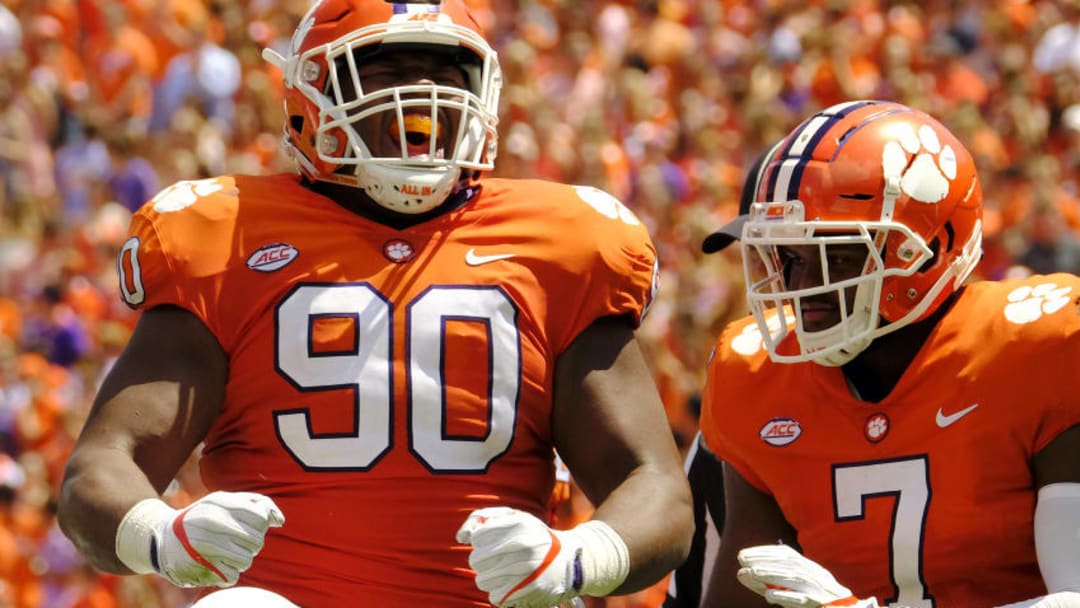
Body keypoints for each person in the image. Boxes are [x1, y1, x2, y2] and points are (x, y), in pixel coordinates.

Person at [56, 1, 694, 607]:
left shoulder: (563, 244)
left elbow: (656, 488)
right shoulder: (226, 237)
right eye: (384, 71)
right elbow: (100, 470)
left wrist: (576, 557)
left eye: (447, 74)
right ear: (311, 92)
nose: (420, 98)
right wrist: (161, 536)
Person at [694, 100, 1080, 608]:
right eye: (791, 258)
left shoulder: (1039, 347)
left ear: (931, 247)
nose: (804, 287)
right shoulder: (755, 373)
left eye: (838, 256)